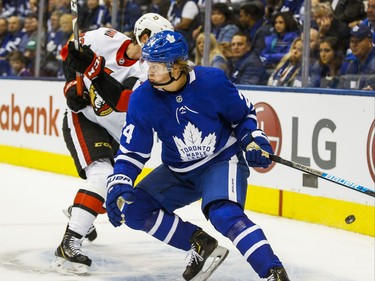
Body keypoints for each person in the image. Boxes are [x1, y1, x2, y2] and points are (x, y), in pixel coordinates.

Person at [105, 30, 291, 281]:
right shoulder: (142, 97)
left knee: (223, 213)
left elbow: (244, 116)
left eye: (158, 66)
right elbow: (133, 149)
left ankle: (272, 272)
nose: (150, 72)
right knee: (134, 209)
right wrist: (121, 179)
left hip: (221, 160)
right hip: (179, 171)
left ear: (177, 66)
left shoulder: (211, 81)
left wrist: (254, 139)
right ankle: (199, 243)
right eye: (149, 64)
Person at [51, 13, 174, 274]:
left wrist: (92, 70)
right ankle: (69, 243)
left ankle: (80, 212)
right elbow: (69, 53)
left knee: (112, 195)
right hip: (85, 118)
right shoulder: (102, 38)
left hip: (118, 134)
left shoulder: (147, 72)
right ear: (143, 37)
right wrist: (71, 85)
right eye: (160, 42)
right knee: (102, 175)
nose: (165, 52)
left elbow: (122, 100)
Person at [339, 24, 375, 90]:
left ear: (369, 42)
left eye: (358, 41)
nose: (353, 45)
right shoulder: (353, 64)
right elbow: (343, 90)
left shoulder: (373, 64)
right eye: (352, 41)